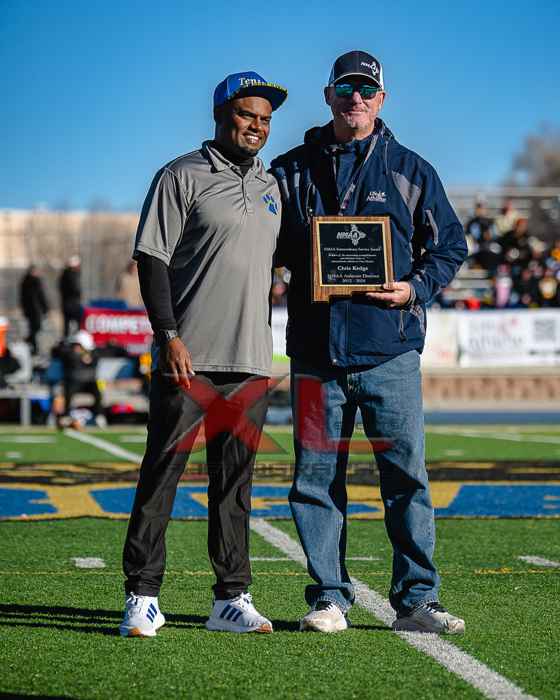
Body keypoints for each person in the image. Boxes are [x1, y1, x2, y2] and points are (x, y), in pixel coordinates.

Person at [270, 50, 467, 634]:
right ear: (328, 95)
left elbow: (450, 246)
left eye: (365, 89)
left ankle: (417, 600)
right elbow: (259, 242)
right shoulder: (290, 170)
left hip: (390, 352)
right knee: (314, 480)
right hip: (315, 354)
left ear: (381, 99)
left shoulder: (411, 169)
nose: (354, 98)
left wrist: (413, 289)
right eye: (345, 88)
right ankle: (328, 598)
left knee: (406, 478)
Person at [120, 71, 287, 637]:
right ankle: (142, 595)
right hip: (187, 356)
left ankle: (230, 599)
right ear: (220, 115)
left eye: (265, 119)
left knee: (235, 486)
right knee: (161, 475)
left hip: (251, 360)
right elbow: (152, 259)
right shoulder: (180, 175)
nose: (256, 126)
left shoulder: (273, 185)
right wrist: (168, 335)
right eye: (246, 115)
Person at [19, 265, 49, 355]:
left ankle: (30, 342)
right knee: (35, 327)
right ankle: (33, 347)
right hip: (34, 309)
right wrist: (45, 307)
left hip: (33, 309)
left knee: (35, 328)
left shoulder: (27, 281)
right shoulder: (30, 282)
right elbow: (40, 295)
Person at [58, 256, 82, 337]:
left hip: (65, 303)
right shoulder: (71, 275)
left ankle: (66, 339)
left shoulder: (63, 275)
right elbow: (75, 289)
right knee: (79, 321)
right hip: (72, 304)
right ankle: (77, 338)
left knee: (66, 325)